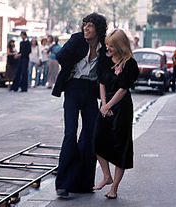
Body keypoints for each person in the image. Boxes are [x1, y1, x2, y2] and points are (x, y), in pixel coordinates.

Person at [52, 12, 113, 197]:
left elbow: (107, 68)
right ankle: (62, 184)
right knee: (70, 134)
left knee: (90, 136)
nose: (86, 28)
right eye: (84, 24)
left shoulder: (104, 45)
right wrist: (70, 68)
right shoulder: (77, 39)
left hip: (90, 91)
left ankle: (83, 183)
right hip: (73, 88)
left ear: (98, 29)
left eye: (90, 25)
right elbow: (61, 55)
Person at [93, 29, 139, 199]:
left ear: (120, 46)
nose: (108, 48)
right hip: (105, 104)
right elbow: (102, 83)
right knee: (97, 141)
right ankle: (106, 176)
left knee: (121, 146)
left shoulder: (130, 64)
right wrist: (104, 105)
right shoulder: (105, 59)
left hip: (122, 108)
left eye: (111, 46)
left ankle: (114, 188)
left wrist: (109, 106)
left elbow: (123, 90)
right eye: (107, 45)